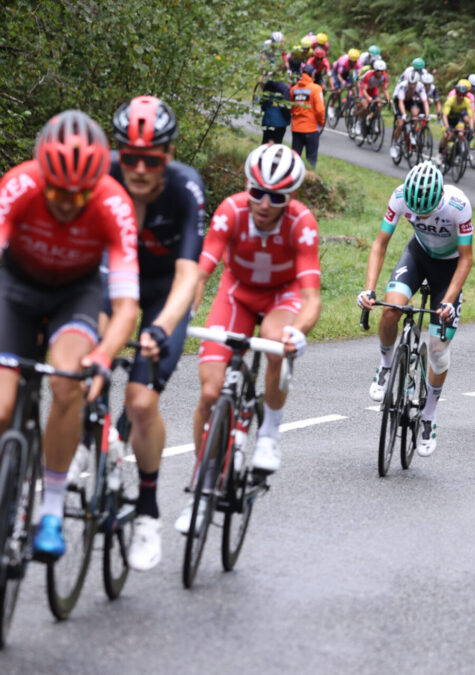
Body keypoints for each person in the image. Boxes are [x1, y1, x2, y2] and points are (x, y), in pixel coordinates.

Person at [0, 111, 140, 558]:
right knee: (2, 405)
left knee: (68, 384)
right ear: (43, 173)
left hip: (74, 297)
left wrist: (102, 356)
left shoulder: (113, 204)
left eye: (78, 195)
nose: (65, 203)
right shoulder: (20, 184)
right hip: (14, 290)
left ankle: (53, 512)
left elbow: (124, 308)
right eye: (57, 191)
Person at [176, 144, 320, 533]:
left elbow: (310, 297)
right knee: (209, 394)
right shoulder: (231, 210)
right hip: (236, 293)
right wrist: (184, 313)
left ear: (290, 198)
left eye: (277, 197)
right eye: (257, 191)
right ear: (247, 186)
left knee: (276, 341)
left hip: (281, 295)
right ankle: (202, 485)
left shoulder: (301, 222)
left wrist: (298, 331)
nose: (264, 202)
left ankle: (270, 431)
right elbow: (201, 272)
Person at [106, 96, 206, 570]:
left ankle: (147, 509)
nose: (140, 170)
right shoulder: (101, 176)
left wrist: (162, 328)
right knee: (79, 368)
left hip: (164, 291)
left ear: (168, 155)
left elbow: (189, 276)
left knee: (141, 402)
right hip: (110, 283)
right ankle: (95, 439)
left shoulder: (186, 187)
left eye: (153, 159)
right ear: (117, 151)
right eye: (130, 158)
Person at [358, 162, 474, 457]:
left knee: (437, 350)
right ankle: (385, 367)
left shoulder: (458, 206)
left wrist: (449, 300)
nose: (419, 216)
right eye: (415, 212)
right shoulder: (399, 196)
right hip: (418, 255)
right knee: (390, 310)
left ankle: (429, 416)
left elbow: (465, 258)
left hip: (448, 268)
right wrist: (369, 289)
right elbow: (380, 243)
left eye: (426, 212)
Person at [290, 63, 325, 168]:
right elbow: (320, 110)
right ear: (312, 75)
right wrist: (321, 122)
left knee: (295, 158)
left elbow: (291, 107)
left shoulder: (293, 89)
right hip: (311, 128)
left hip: (296, 128)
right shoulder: (316, 89)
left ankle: (291, 178)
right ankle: (308, 179)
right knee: (311, 159)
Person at [391, 70, 430, 161]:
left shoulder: (420, 86)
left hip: (410, 100)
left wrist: (427, 115)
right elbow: (400, 102)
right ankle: (394, 144)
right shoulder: (402, 86)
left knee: (415, 114)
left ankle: (412, 132)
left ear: (417, 82)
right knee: (400, 124)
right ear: (408, 81)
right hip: (399, 101)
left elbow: (425, 102)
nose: (412, 85)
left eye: (414, 84)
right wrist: (404, 115)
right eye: (410, 83)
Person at [440, 79, 475, 165]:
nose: (461, 97)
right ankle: (441, 153)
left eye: (463, 95)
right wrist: (448, 127)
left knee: (461, 133)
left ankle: (462, 150)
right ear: (456, 93)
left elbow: (471, 117)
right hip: (448, 119)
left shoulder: (467, 101)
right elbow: (444, 116)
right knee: (448, 136)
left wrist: (471, 128)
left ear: (465, 95)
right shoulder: (451, 100)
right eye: (459, 94)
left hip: (457, 119)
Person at [260, 69, 291, 144]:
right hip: (279, 123)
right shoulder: (284, 87)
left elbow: (262, 103)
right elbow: (285, 106)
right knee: (276, 145)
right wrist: (288, 117)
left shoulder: (267, 86)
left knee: (265, 143)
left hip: (267, 121)